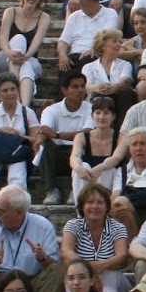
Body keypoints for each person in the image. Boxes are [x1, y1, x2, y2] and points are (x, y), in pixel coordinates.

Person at [61, 183, 130, 292]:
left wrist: (100, 267)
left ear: (107, 206)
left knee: (111, 277)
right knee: (75, 276)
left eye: (100, 202)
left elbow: (122, 255)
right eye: (90, 202)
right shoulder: (73, 225)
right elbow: (66, 251)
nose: (95, 206)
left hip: (113, 280)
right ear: (82, 206)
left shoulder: (117, 227)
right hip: (83, 277)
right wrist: (89, 271)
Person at [36, 73, 95, 205]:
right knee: (47, 144)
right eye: (75, 87)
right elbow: (45, 129)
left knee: (86, 143)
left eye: (82, 86)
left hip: (79, 154)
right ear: (64, 90)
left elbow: (87, 133)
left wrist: (57, 135)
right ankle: (51, 191)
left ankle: (75, 190)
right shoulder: (52, 110)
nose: (80, 90)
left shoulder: (92, 109)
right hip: (57, 156)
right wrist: (41, 137)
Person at [0, 0, 51, 109]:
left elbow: (36, 42)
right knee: (19, 38)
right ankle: (16, 91)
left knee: (26, 66)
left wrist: (25, 57)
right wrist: (10, 53)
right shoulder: (10, 12)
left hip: (30, 60)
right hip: (5, 58)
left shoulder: (44, 17)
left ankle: (23, 106)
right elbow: (3, 39)